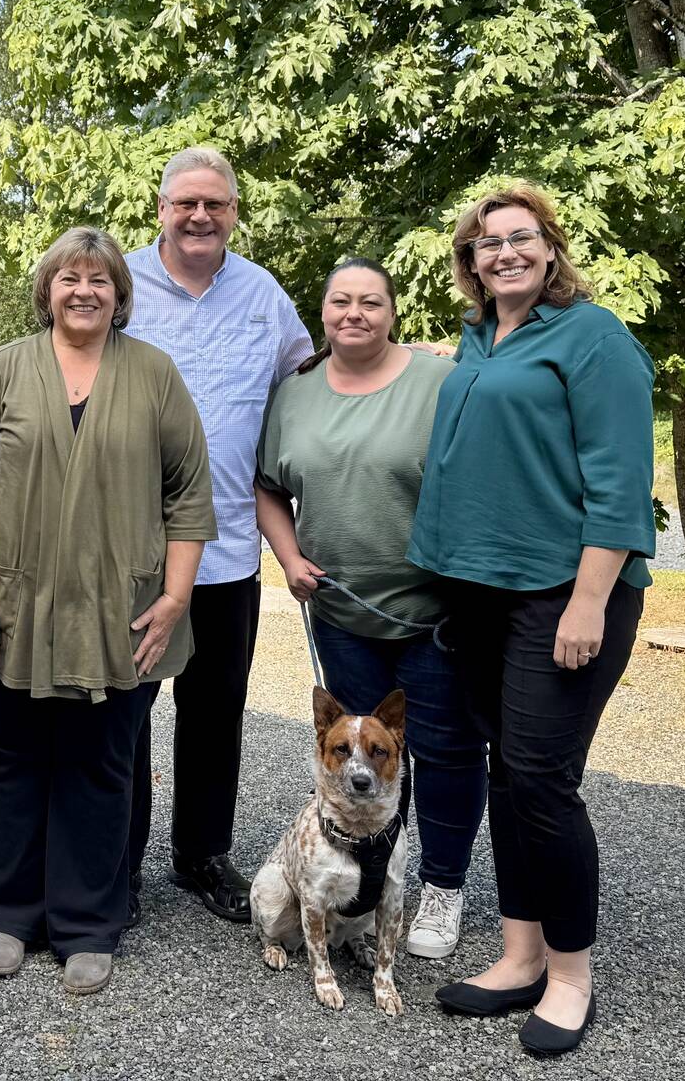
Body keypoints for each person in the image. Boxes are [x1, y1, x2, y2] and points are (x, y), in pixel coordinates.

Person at [407, 182, 655, 1059]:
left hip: (563, 595)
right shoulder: (477, 341)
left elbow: (622, 482)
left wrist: (590, 598)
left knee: (544, 781)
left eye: (521, 238)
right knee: (505, 777)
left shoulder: (595, 338)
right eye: (486, 241)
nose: (504, 251)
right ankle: (518, 955)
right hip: (479, 597)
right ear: (469, 262)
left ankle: (571, 975)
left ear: (550, 250)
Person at [0, 226, 215, 998]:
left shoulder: (154, 373)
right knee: (18, 761)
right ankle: (12, 914)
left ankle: (89, 923)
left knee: (101, 765)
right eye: (69, 278)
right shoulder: (5, 368)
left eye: (99, 280)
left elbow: (189, 496)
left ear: (120, 295)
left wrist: (173, 599)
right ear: (47, 290)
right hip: (13, 607)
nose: (84, 291)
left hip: (124, 610)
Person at [254, 257, 486, 963]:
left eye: (372, 302)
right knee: (363, 760)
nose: (355, 313)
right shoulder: (293, 394)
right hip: (342, 613)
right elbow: (267, 488)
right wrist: (290, 559)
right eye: (340, 302)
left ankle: (442, 887)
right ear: (321, 314)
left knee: (444, 752)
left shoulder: (438, 381)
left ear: (393, 312)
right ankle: (371, 880)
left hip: (434, 613)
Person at [123, 147, 312, 924]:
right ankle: (116, 863)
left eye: (217, 204)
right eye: (186, 203)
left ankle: (202, 855)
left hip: (229, 543)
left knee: (214, 710)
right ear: (161, 207)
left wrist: (405, 368)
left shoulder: (263, 293)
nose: (201, 216)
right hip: (132, 544)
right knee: (123, 710)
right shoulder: (121, 282)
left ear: (235, 210)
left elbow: (310, 381)